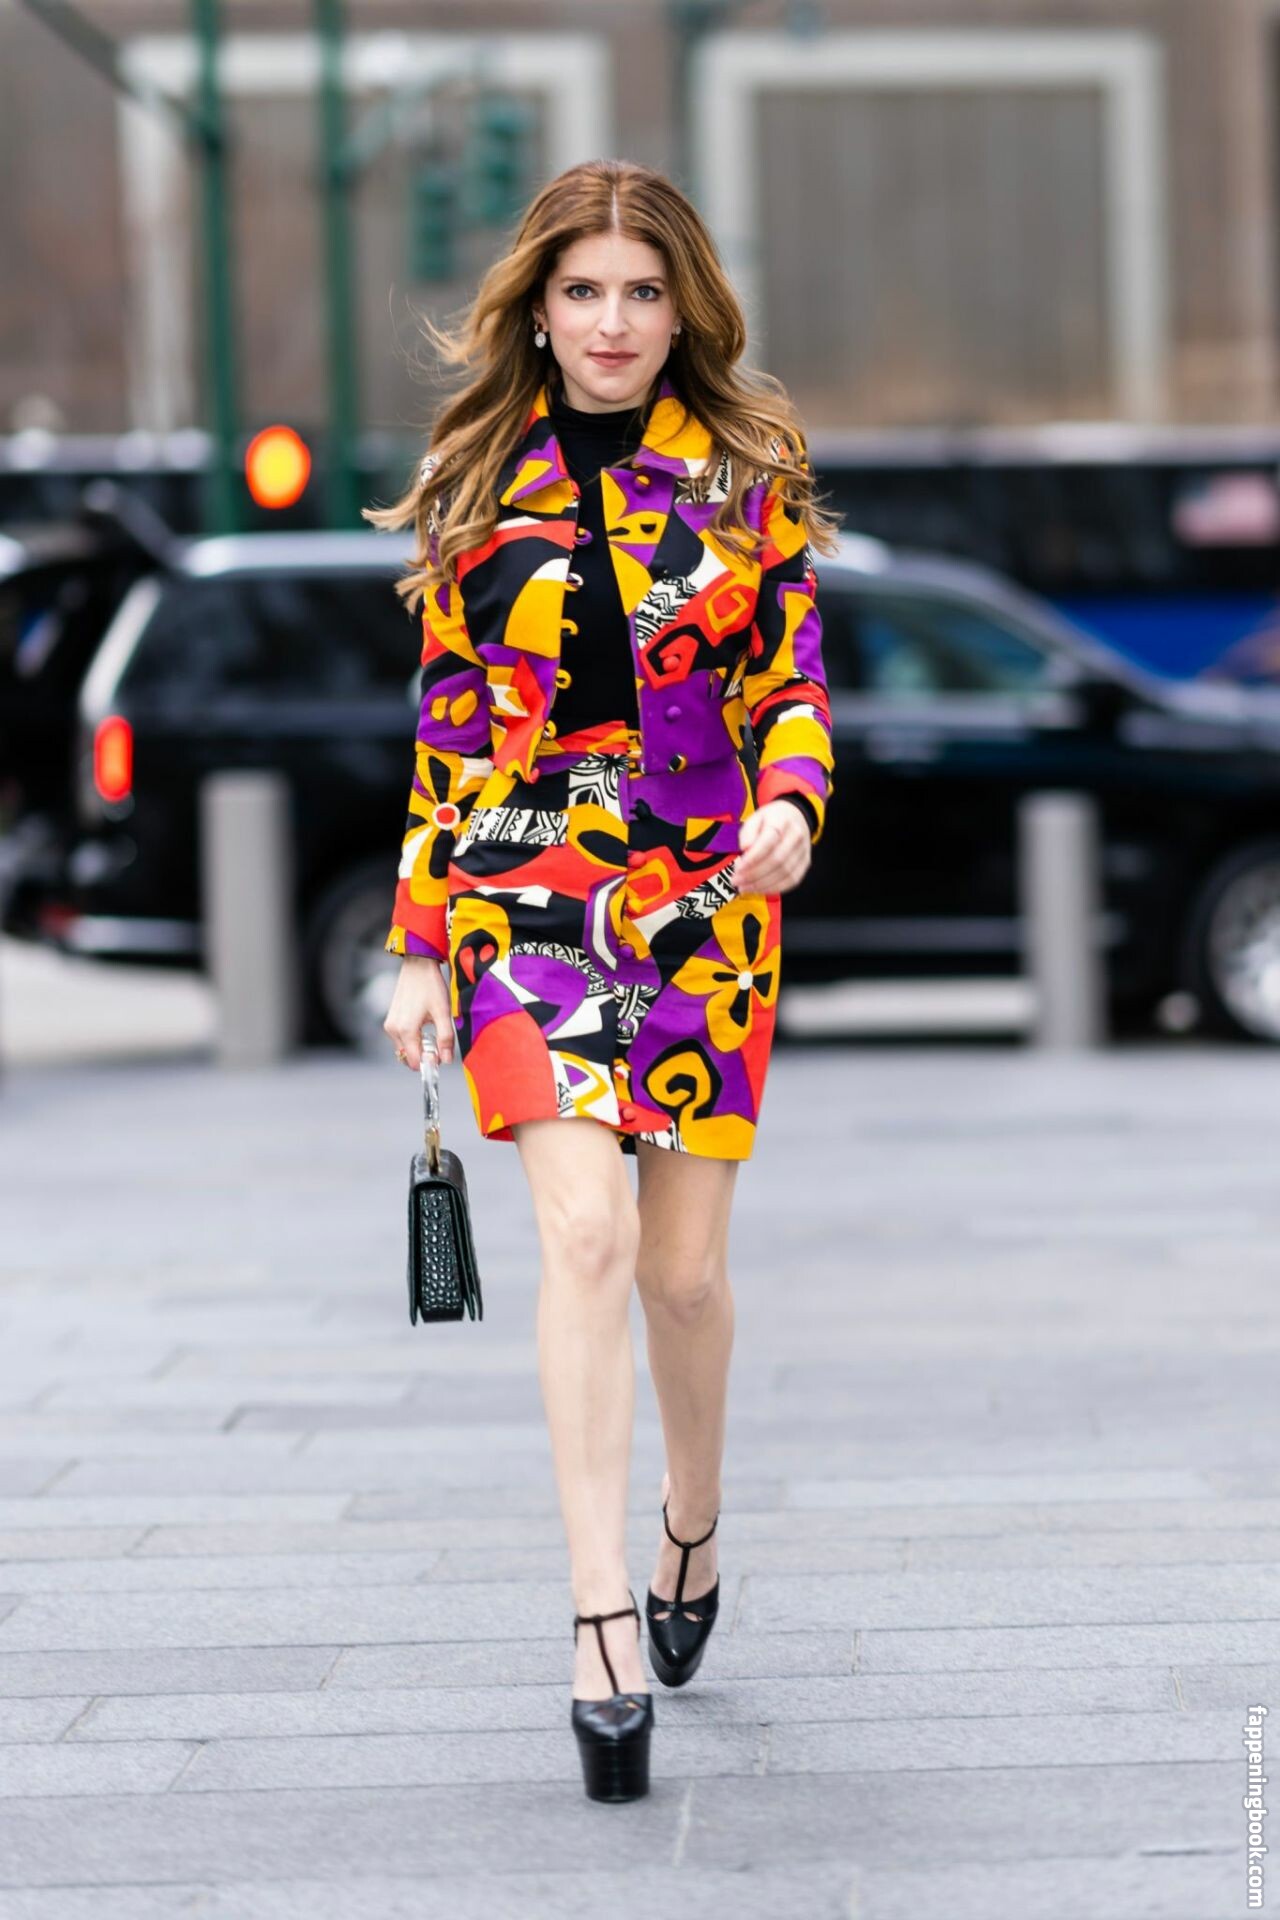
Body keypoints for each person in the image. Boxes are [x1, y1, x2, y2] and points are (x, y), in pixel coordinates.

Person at [368, 157, 838, 1803]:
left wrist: (793, 802)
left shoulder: (744, 476)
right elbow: (446, 730)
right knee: (586, 1235)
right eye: (583, 291)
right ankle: (597, 1624)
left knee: (683, 1276)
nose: (614, 321)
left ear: (682, 308)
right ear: (539, 307)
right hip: (522, 892)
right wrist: (418, 943)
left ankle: (690, 1527)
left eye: (643, 292)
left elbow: (791, 677)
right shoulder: (473, 477)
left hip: (707, 898)